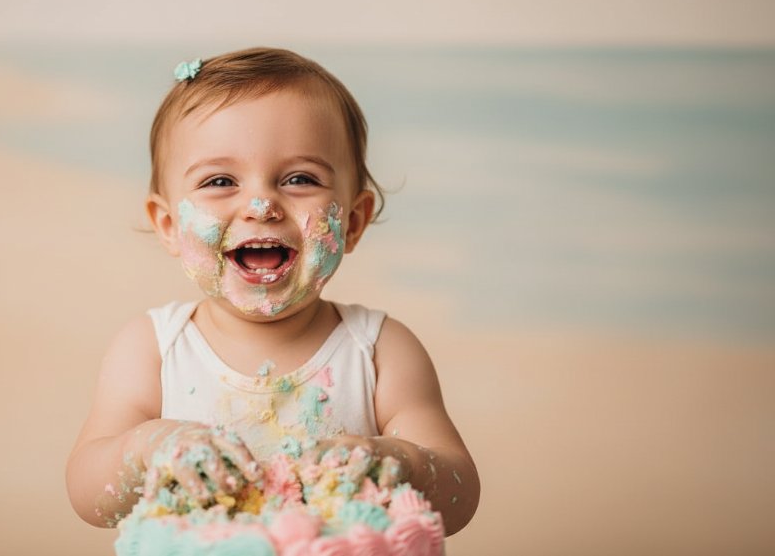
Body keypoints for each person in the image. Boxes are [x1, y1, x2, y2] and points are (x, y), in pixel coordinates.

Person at [65, 47, 480, 536]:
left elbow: (459, 496)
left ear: (352, 221)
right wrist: (148, 449)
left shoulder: (379, 350)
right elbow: (88, 495)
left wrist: (400, 462)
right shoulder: (153, 349)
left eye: (300, 179)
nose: (261, 205)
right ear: (169, 225)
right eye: (220, 181)